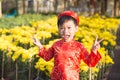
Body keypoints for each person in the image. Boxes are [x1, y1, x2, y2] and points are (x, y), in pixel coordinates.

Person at [33, 10, 103, 80]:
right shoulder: (56, 45)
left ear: (76, 29)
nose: (65, 31)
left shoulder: (79, 46)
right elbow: (47, 57)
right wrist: (40, 46)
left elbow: (90, 62)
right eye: (62, 28)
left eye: (69, 28)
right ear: (58, 29)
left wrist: (94, 51)